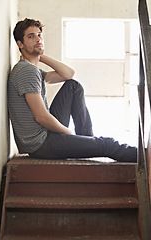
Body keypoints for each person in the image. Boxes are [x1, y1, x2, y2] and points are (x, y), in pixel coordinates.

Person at [8, 18, 137, 162]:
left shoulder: (33, 70)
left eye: (39, 35)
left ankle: (88, 140)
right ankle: (145, 158)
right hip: (41, 143)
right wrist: (69, 133)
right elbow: (41, 117)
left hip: (45, 136)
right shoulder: (26, 71)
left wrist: (40, 55)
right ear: (20, 44)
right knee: (107, 144)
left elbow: (68, 74)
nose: (38, 39)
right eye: (31, 36)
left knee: (73, 86)